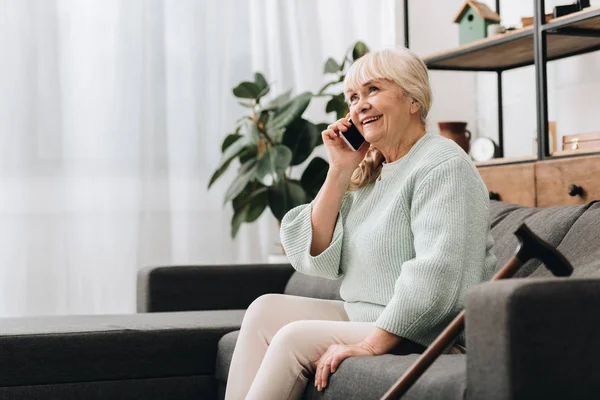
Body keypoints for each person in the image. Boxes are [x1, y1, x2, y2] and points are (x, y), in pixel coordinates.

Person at [224, 47, 497, 400]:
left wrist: (372, 344)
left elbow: (439, 275)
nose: (359, 104)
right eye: (353, 97)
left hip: (426, 330)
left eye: (373, 90)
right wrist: (339, 168)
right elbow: (316, 257)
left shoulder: (442, 163)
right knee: (264, 309)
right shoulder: (374, 170)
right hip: (364, 313)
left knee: (291, 338)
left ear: (413, 100)